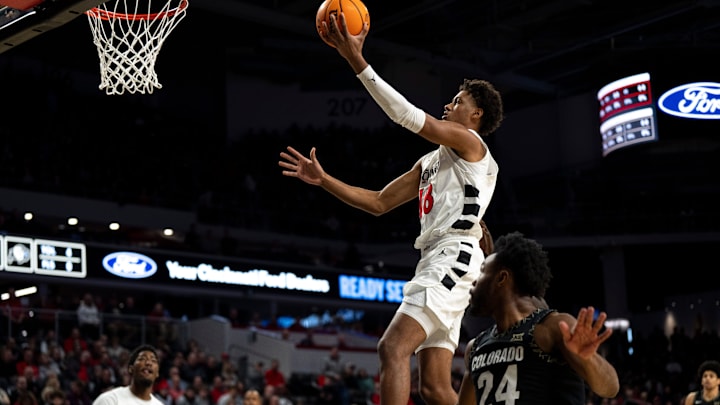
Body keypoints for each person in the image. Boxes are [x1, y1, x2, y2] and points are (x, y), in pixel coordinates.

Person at [278, 10, 503, 405]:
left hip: (452, 258)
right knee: (434, 388)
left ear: (476, 115)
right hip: (442, 258)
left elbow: (407, 117)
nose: (449, 106)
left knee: (392, 348)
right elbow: (379, 203)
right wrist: (324, 180)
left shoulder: (471, 143)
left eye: (458, 101)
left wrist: (356, 61)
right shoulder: (432, 162)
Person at [457, 231, 620, 405]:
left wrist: (588, 360)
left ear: (502, 278)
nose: (473, 281)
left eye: (481, 272)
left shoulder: (551, 327)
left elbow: (611, 387)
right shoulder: (475, 348)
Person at [92, 344, 163, 405]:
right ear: (131, 369)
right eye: (142, 359)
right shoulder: (110, 400)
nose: (148, 363)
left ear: (157, 373)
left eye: (153, 361)